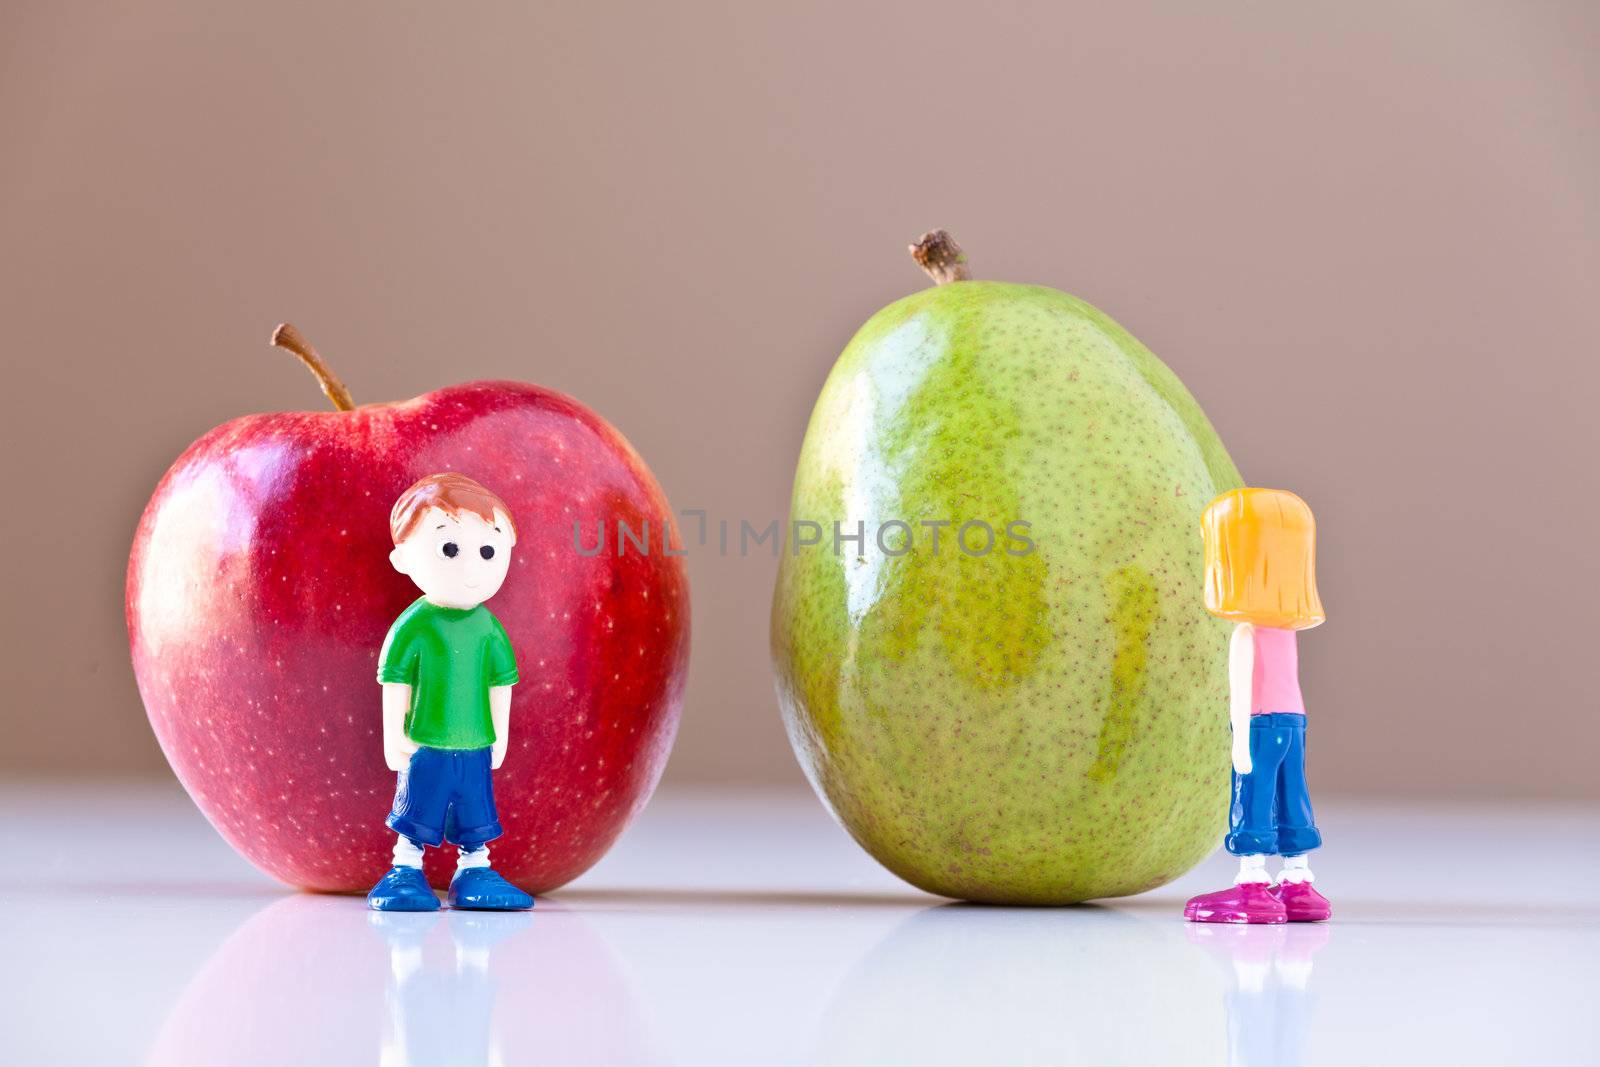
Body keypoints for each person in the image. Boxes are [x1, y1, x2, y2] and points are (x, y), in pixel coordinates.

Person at [367, 472, 534, 912]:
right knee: (418, 807)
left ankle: (475, 870)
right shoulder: (415, 626)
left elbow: (501, 685)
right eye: (450, 549)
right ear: (403, 559)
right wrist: (393, 738)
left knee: (476, 811)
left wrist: (500, 738)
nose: (471, 568)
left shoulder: (488, 628)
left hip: (476, 743)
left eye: (487, 550)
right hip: (427, 741)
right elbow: (396, 682)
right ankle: (405, 869)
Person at [1184, 488, 1330, 924]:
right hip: (1294, 723)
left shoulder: (1246, 633)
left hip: (1260, 725)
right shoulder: (1286, 630)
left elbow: (1242, 693)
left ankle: (1250, 885)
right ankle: (1298, 883)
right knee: (1293, 794)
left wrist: (1240, 749)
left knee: (1253, 794)